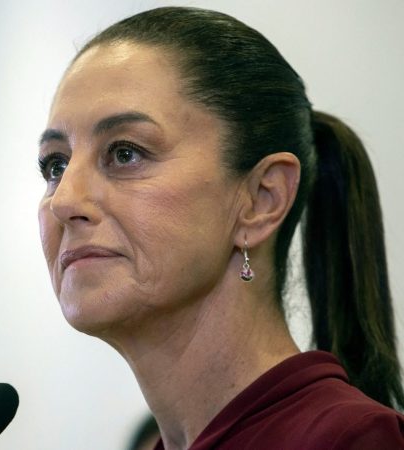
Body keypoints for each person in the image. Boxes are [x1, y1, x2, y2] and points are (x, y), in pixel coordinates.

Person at [37, 6, 404, 450]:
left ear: (261, 200)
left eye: (125, 153)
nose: (64, 201)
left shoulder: (351, 440)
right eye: (55, 165)